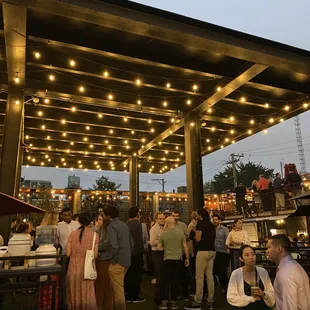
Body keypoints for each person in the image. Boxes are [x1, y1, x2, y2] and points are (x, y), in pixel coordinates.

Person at [266, 234, 310, 310]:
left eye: (269, 247)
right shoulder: (294, 266)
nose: (267, 251)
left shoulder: (286, 272)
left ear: (279, 249)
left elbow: (289, 306)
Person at [66, 212, 99, 310]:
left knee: (74, 292)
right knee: (87, 293)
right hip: (87, 269)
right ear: (90, 221)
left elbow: (68, 253)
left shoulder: (72, 234)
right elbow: (95, 255)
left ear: (79, 221)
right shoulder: (94, 236)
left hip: (73, 268)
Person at [185, 208, 216, 310]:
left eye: (197, 215)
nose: (196, 216)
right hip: (212, 251)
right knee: (210, 276)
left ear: (200, 215)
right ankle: (210, 301)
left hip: (202, 251)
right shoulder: (211, 225)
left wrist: (193, 234)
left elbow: (198, 239)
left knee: (199, 277)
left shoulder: (200, 224)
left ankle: (197, 301)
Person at [227, 245, 275, 309]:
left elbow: (272, 293)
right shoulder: (236, 274)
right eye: (247, 255)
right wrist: (251, 299)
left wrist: (263, 294)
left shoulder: (263, 272)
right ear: (241, 259)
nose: (251, 257)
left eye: (253, 254)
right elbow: (231, 297)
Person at [105, 206, 133, 310]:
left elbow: (115, 245)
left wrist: (114, 260)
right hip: (126, 261)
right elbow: (131, 242)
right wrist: (127, 254)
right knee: (118, 288)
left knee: (118, 291)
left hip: (118, 262)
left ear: (108, 216)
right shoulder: (124, 224)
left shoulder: (111, 227)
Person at [158, 216, 189, 310]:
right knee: (175, 280)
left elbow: (159, 247)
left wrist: (166, 248)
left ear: (167, 224)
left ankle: (165, 301)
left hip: (167, 259)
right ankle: (174, 302)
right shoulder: (180, 233)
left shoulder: (163, 234)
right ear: (175, 223)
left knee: (165, 280)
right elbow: (185, 247)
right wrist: (187, 258)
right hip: (177, 259)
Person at [92, 213, 113, 310]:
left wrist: (95, 247)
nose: (99, 222)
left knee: (106, 284)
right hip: (98, 259)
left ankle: (107, 305)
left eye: (101, 220)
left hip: (106, 259)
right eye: (98, 219)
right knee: (99, 284)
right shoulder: (97, 230)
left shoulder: (109, 232)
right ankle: (99, 305)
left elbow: (106, 245)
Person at [124, 207, 146, 303]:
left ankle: (128, 295)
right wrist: (143, 250)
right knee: (136, 275)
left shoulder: (126, 224)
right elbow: (139, 240)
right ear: (137, 214)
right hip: (136, 252)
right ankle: (134, 296)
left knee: (128, 274)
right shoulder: (138, 225)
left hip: (127, 253)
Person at [172, 209, 189, 301]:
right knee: (175, 275)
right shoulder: (168, 225)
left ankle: (185, 294)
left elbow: (187, 237)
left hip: (181, 252)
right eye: (174, 216)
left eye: (177, 216)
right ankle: (176, 293)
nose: (175, 218)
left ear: (179, 216)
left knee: (183, 274)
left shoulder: (183, 225)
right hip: (173, 253)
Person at [149, 211, 166, 305]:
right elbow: (151, 242)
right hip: (156, 252)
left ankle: (163, 294)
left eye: (163, 218)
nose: (162, 220)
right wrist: (161, 241)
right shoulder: (154, 229)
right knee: (159, 274)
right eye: (160, 219)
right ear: (156, 220)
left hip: (164, 252)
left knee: (163, 274)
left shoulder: (165, 227)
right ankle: (158, 297)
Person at [212, 214, 229, 292]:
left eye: (216, 219)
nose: (215, 221)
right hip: (213, 251)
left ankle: (224, 285)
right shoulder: (211, 229)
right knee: (214, 269)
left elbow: (227, 240)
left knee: (222, 270)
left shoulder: (224, 229)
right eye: (214, 219)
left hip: (222, 251)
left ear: (219, 220)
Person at [187, 211, 198, 296]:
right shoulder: (192, 226)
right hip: (194, 251)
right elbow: (189, 241)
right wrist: (191, 253)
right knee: (194, 272)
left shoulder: (194, 225)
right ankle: (194, 289)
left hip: (195, 252)